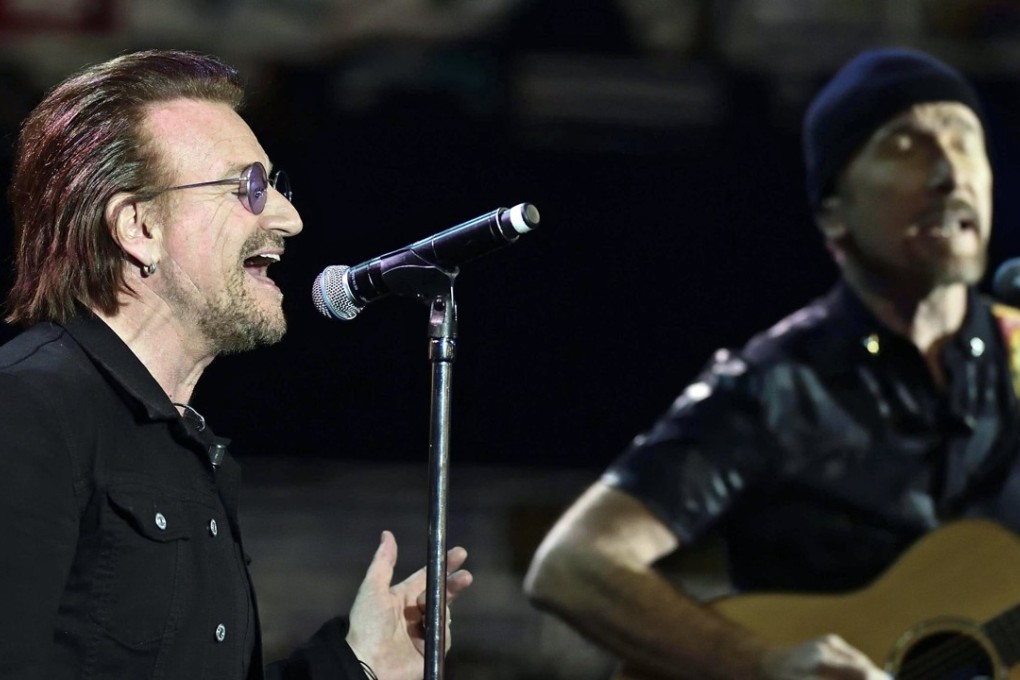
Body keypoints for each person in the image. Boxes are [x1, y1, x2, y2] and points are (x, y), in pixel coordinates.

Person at [525, 47, 1018, 680]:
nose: (951, 171)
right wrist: (761, 661)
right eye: (905, 145)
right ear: (834, 215)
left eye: (965, 140)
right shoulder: (776, 386)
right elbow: (572, 567)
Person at [0, 49, 472, 680]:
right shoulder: (27, 411)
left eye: (275, 185)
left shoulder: (185, 449)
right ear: (139, 227)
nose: (289, 218)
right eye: (247, 186)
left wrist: (354, 665)